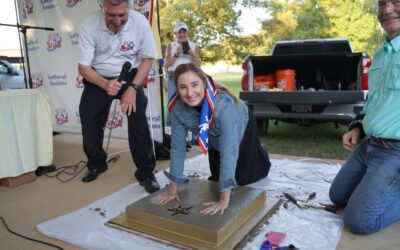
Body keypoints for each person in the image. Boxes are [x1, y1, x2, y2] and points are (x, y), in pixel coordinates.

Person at [154, 63, 271, 215]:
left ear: (203, 82)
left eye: (194, 85)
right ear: (177, 89)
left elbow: (229, 151)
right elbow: (177, 149)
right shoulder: (177, 109)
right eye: (183, 87)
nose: (190, 93)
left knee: (242, 181)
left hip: (240, 123)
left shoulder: (223, 105)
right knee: (216, 180)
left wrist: (223, 199)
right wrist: (172, 189)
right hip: (212, 133)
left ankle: (261, 152)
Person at [329, 0, 400, 235]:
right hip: (370, 145)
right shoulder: (381, 54)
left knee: (360, 221)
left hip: (395, 152)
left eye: (396, 2)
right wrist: (357, 127)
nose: (387, 9)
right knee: (337, 196)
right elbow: (375, 101)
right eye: (382, 4)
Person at [77, 0, 160, 193]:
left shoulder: (140, 22)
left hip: (130, 76)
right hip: (98, 77)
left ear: (128, 8)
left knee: (138, 118)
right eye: (111, 15)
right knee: (89, 121)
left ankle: (146, 173)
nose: (117, 20)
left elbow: (148, 59)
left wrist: (132, 88)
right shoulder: (89, 24)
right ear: (102, 8)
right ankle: (97, 163)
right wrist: (105, 84)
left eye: (122, 15)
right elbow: (83, 67)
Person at [164, 21, 201, 105]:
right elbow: (166, 65)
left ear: (187, 33)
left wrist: (192, 55)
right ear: (175, 34)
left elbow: (198, 65)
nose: (182, 35)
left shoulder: (194, 46)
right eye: (179, 32)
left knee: (189, 101)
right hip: (173, 76)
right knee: (172, 103)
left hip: (189, 76)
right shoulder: (171, 45)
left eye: (184, 32)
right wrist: (176, 55)